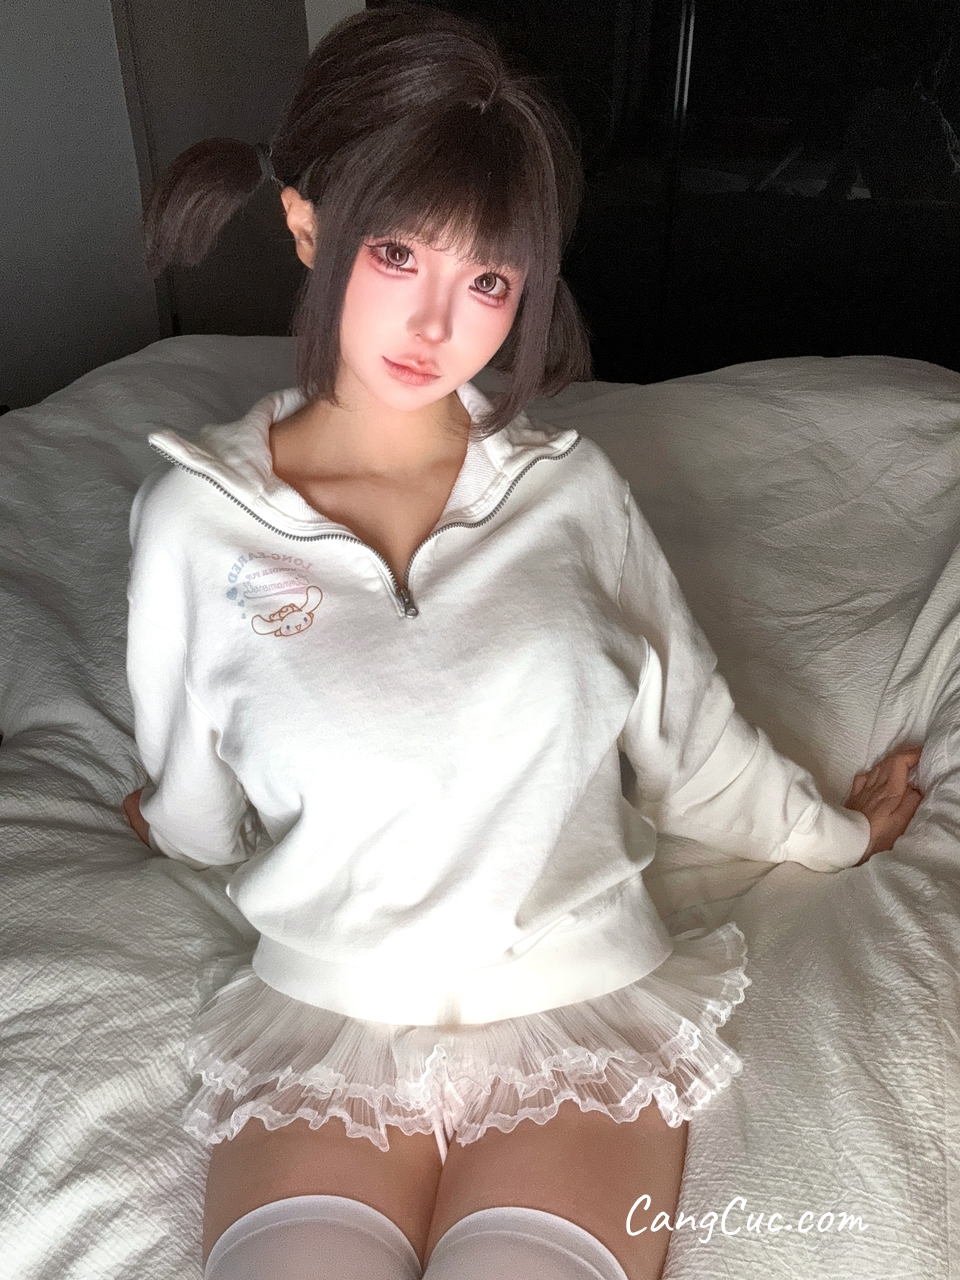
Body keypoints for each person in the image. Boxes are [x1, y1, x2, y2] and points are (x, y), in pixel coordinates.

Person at [123, 6, 924, 1279]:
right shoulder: (191, 524)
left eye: (488, 280)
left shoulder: (572, 496)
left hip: (577, 1004)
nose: (437, 324)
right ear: (307, 225)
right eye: (397, 253)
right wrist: (167, 816)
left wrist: (832, 833)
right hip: (326, 1012)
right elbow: (197, 800)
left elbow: (689, 736)